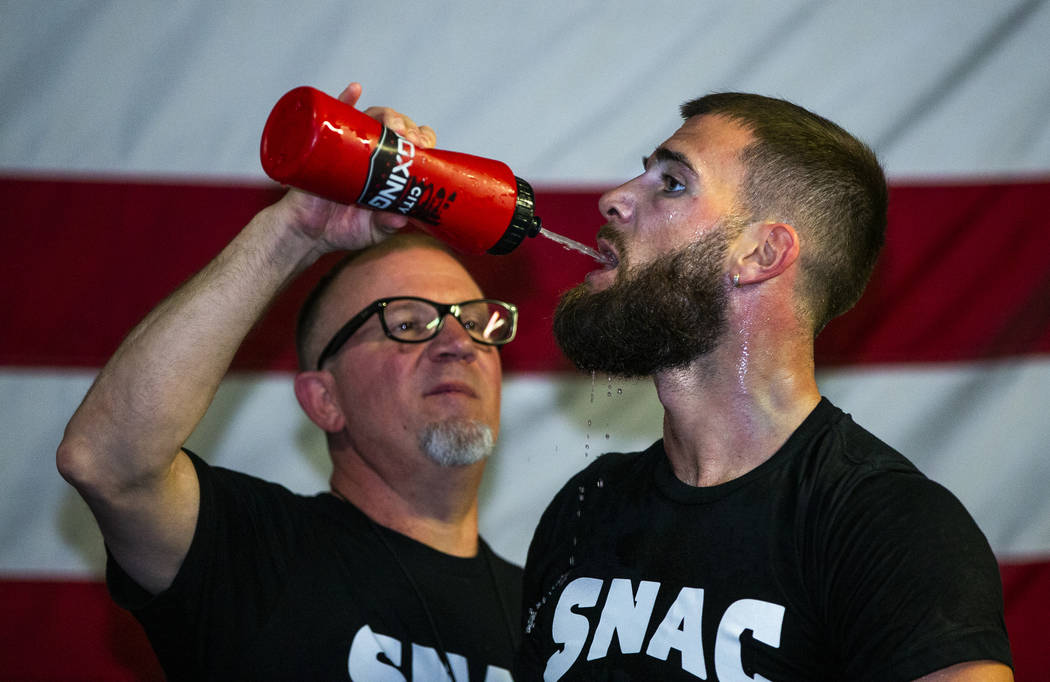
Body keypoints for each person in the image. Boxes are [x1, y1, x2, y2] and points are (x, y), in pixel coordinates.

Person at [516, 93, 1013, 680]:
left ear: (762, 253)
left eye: (672, 183)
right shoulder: (586, 507)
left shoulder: (889, 524)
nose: (614, 198)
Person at [57, 83, 521, 681]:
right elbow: (105, 462)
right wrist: (297, 231)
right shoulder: (256, 553)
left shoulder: (552, 617)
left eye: (478, 323)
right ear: (323, 400)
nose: (458, 343)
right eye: (408, 323)